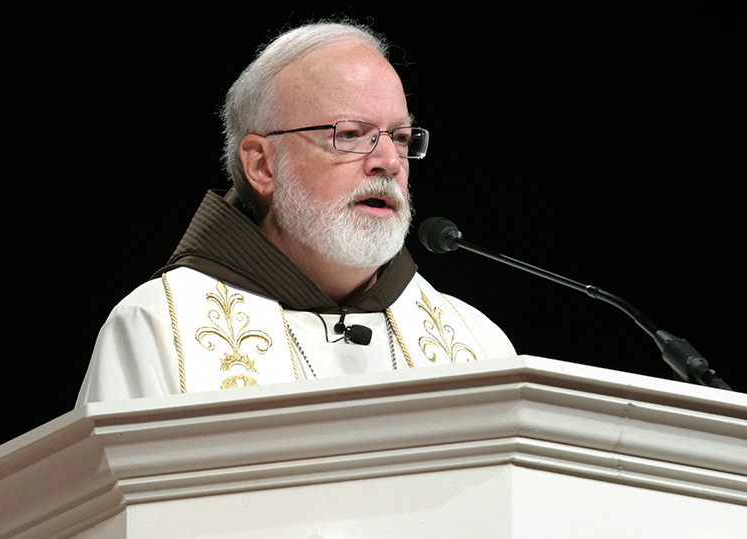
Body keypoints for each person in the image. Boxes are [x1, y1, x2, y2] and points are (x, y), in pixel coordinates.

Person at [75, 20, 515, 406]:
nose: (389, 161)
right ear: (262, 165)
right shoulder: (157, 329)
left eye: (399, 137)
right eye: (350, 134)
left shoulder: (477, 343)